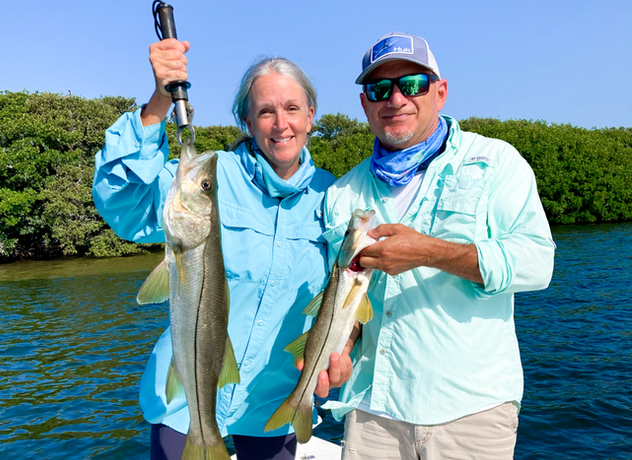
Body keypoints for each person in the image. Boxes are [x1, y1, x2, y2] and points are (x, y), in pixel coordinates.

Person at [92, 38, 341, 460]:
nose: (280, 123)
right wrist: (157, 103)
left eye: (292, 109)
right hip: (184, 402)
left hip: (272, 403)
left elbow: (345, 296)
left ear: (311, 116)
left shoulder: (333, 196)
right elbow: (124, 203)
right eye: (265, 111)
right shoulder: (211, 177)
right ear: (246, 119)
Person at [319, 32, 556, 459]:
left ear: (440, 92)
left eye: (412, 84)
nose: (395, 98)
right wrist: (339, 351)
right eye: (379, 88)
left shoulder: (497, 162)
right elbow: (347, 303)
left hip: (472, 412)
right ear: (364, 103)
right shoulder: (342, 194)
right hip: (373, 412)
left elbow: (538, 264)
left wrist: (430, 252)